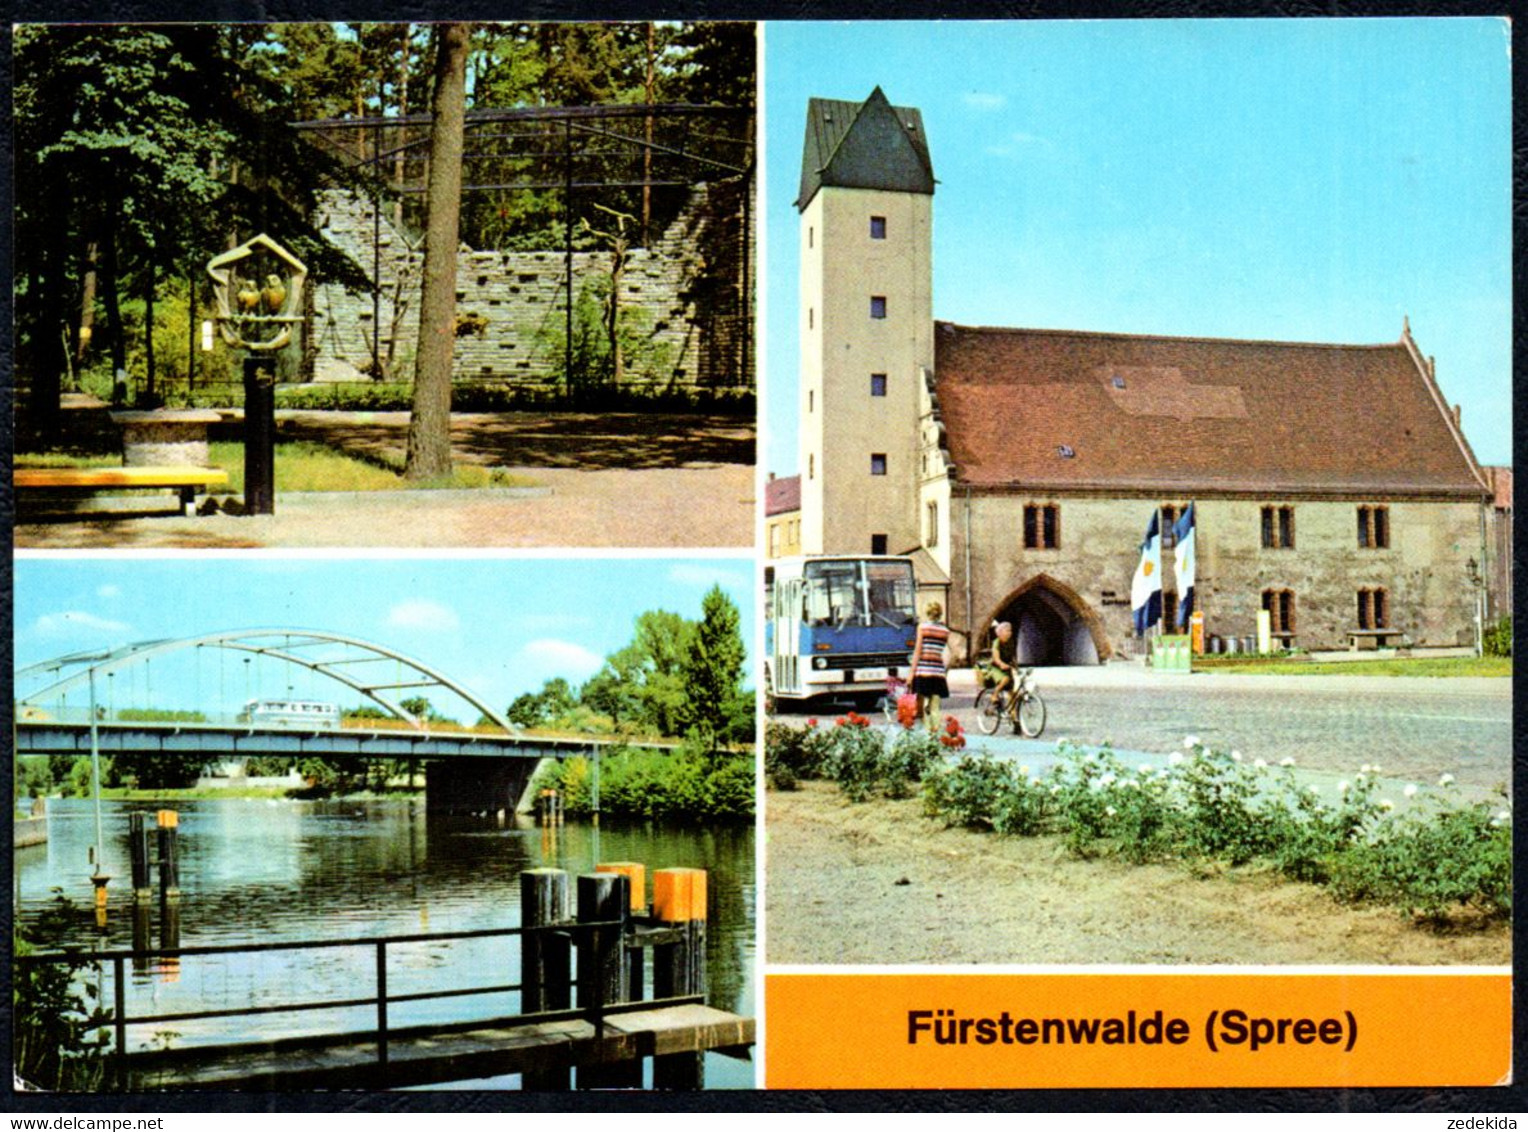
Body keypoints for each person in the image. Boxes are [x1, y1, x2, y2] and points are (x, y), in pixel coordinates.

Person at [910, 601, 950, 733]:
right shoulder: (945, 631)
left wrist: (911, 673)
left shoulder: (922, 628)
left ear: (927, 613)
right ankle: (936, 731)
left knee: (924, 704)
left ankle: (928, 733)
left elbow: (917, 651)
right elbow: (947, 654)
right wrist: (945, 671)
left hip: (924, 670)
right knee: (935, 706)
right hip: (938, 672)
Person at [989, 621, 1016, 708]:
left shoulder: (1011, 643)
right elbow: (996, 658)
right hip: (996, 668)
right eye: (1007, 631)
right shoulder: (996, 643)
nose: (1009, 633)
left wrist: (1016, 667)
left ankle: (1013, 715)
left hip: (1007, 667)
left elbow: (1013, 657)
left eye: (1010, 631)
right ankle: (994, 694)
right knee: (1005, 679)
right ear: (1000, 633)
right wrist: (1002, 664)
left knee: (1012, 692)